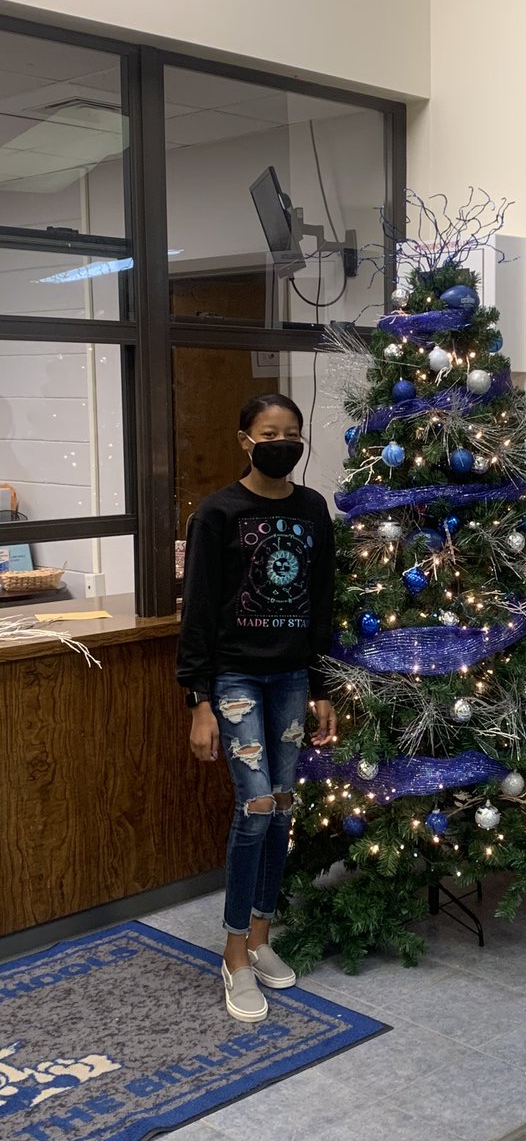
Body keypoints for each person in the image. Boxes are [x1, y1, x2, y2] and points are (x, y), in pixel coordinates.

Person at [177, 392, 336, 1022]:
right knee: (256, 804)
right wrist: (198, 699)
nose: (283, 441)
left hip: (293, 677)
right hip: (235, 678)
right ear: (245, 439)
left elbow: (322, 601)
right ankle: (235, 953)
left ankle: (263, 935)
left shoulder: (313, 509)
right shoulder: (218, 513)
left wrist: (323, 686)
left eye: (292, 432)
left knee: (283, 806)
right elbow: (198, 610)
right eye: (270, 431)